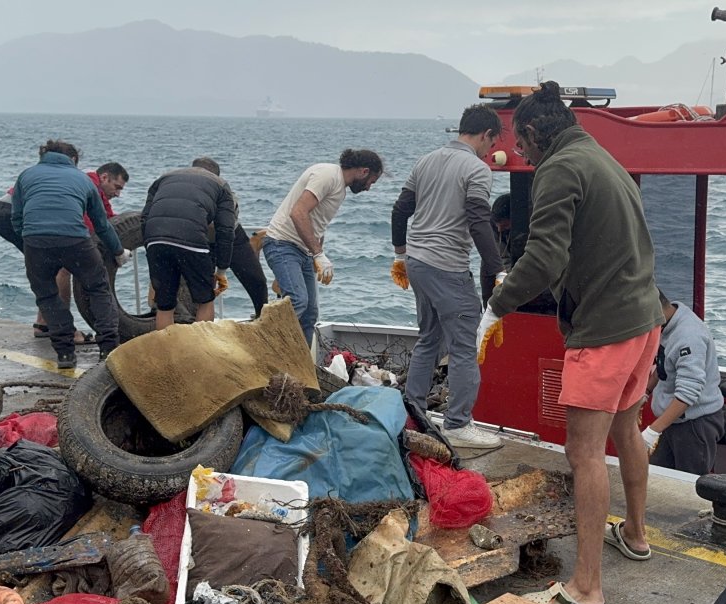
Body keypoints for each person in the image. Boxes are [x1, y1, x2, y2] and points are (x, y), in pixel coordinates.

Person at [481, 81, 665, 604]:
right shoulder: (599, 155)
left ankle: (587, 589)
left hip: (605, 330)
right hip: (644, 319)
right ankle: (634, 533)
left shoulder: (558, 168)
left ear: (536, 133)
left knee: (584, 454)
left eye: (522, 143)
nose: (521, 153)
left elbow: (542, 259)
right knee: (626, 429)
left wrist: (498, 304)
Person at [391, 104, 504, 449]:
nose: (490, 151)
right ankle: (458, 422)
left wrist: (400, 255)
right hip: (447, 267)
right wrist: (498, 269)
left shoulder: (426, 160)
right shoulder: (477, 169)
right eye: (492, 143)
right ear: (486, 135)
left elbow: (400, 210)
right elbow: (478, 221)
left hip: (418, 262)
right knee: (464, 345)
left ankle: (414, 412)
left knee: (429, 337)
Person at [11, 140, 127, 369]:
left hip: (36, 241)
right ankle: (108, 349)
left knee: (46, 295)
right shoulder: (84, 179)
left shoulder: (26, 176)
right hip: (75, 240)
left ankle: (65, 354)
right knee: (98, 288)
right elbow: (101, 224)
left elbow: (17, 217)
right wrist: (118, 251)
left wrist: (30, 242)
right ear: (73, 159)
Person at [0, 161, 127, 343]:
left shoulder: (92, 185)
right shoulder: (87, 184)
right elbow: (84, 229)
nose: (118, 194)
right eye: (116, 187)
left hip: (3, 209)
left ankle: (44, 324)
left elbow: (107, 218)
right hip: (12, 213)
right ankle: (66, 330)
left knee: (50, 268)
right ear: (104, 177)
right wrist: (110, 253)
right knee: (62, 267)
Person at [262, 149, 382, 346]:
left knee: (310, 314)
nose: (369, 188)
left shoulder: (340, 189)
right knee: (298, 301)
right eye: (371, 181)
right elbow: (298, 212)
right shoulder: (328, 175)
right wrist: (318, 254)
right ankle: (261, 343)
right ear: (364, 171)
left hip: (303, 252)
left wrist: (317, 257)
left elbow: (317, 224)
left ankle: (301, 368)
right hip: (282, 244)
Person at [140, 157, 237, 328]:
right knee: (205, 300)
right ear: (215, 173)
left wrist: (150, 246)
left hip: (155, 239)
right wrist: (221, 270)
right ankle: (198, 351)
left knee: (165, 304)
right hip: (192, 239)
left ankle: (167, 352)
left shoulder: (164, 178)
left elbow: (145, 218)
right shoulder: (221, 185)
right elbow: (226, 230)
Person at [641, 290, 726, 475]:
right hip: (671, 422)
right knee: (659, 480)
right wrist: (645, 392)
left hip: (695, 425)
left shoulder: (689, 337)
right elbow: (666, 364)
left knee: (690, 490)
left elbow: (688, 393)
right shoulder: (669, 322)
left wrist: (652, 431)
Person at [188, 157, 269, 318]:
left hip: (231, 236)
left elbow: (225, 230)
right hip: (199, 239)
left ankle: (262, 315)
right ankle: (194, 322)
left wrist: (222, 269)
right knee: (202, 287)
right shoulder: (185, 191)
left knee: (256, 279)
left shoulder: (226, 195)